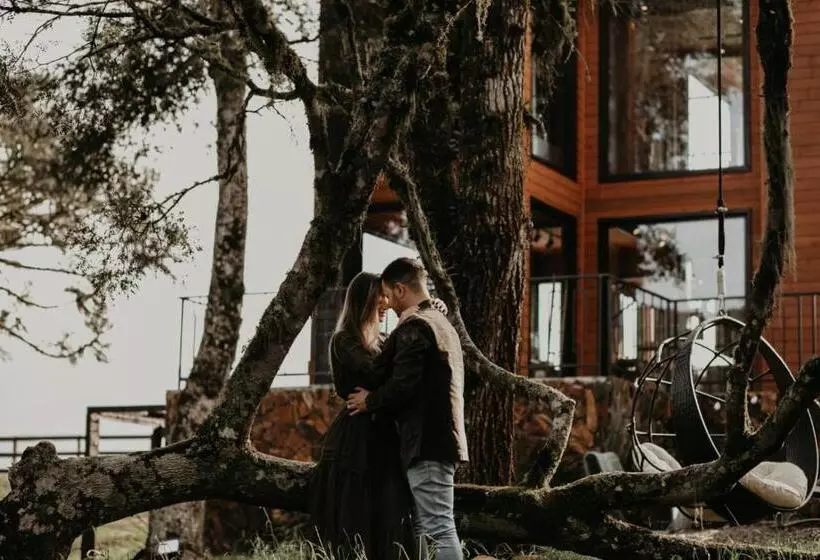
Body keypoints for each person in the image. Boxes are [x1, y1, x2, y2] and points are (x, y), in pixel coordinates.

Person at [347, 258, 469, 560]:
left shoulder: (416, 325)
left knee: (438, 528)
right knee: (426, 528)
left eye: (388, 295)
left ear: (400, 289)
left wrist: (370, 401)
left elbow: (402, 384)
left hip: (426, 441)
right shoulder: (441, 322)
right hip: (441, 439)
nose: (387, 304)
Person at [308, 271, 417, 560]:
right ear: (364, 301)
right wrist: (405, 326)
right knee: (356, 521)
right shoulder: (344, 340)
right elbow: (375, 373)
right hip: (355, 441)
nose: (386, 303)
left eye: (386, 297)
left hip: (384, 438)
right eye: (380, 297)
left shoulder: (383, 341)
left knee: (390, 517)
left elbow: (398, 375)